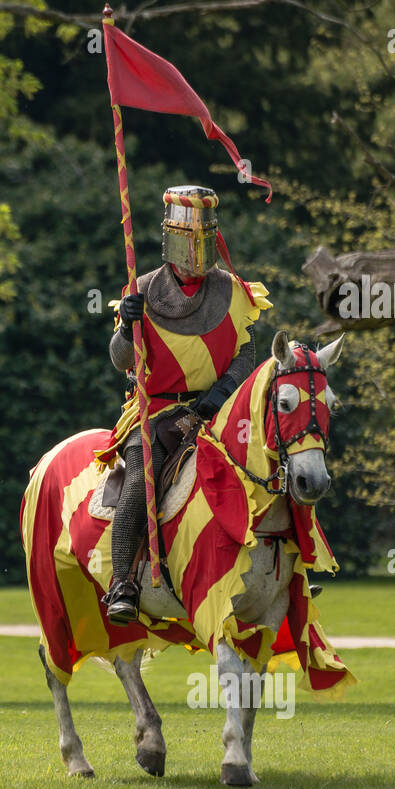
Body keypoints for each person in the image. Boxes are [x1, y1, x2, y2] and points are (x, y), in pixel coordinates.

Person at [101, 185, 272, 624]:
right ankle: (123, 581)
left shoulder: (232, 291)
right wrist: (127, 328)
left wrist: (218, 397)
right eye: (187, 239)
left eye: (202, 239)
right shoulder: (139, 290)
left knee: (276, 457)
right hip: (157, 412)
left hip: (219, 410)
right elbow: (121, 360)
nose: (195, 250)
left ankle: (281, 568)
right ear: (171, 239)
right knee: (143, 479)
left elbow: (246, 352)